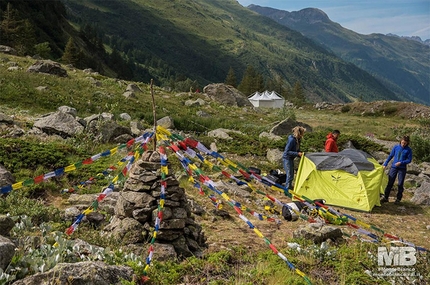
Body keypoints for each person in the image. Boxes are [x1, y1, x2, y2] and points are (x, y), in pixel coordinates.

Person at [380, 136, 413, 204]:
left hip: (402, 168)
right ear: (401, 141)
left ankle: (398, 199)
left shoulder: (408, 150)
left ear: (407, 143)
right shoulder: (396, 147)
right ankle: (386, 197)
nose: (403, 144)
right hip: (394, 167)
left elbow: (409, 160)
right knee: (390, 182)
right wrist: (385, 164)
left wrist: (401, 162)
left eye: (405, 143)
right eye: (402, 142)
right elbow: (390, 156)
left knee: (400, 184)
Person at [282, 126, 306, 190]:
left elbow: (296, 149)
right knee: (289, 175)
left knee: (292, 175)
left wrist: (300, 153)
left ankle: (289, 188)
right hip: (287, 158)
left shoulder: (297, 140)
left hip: (291, 158)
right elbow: (287, 151)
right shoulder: (292, 140)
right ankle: (286, 190)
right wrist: (297, 154)